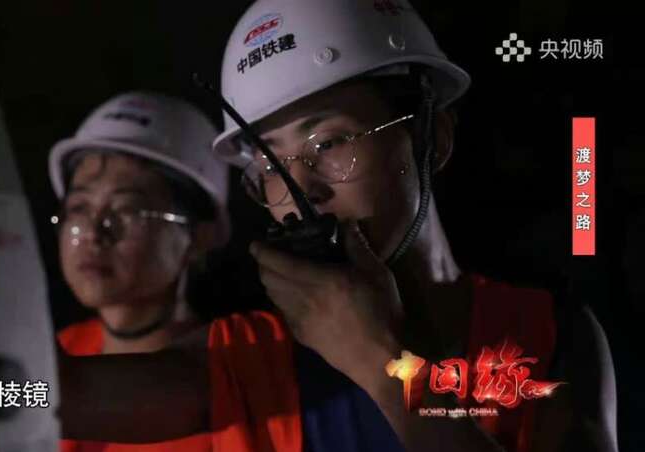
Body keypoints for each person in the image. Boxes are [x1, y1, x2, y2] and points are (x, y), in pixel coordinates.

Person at [60, 1, 617, 451]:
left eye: (328, 143)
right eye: (269, 165)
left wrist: (383, 368)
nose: (299, 191)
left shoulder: (544, 333)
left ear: (433, 138)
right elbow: (50, 394)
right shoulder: (249, 359)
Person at [47, 91, 231, 451]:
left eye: (128, 209)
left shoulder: (239, 370)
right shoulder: (62, 349)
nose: (94, 233)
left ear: (199, 235)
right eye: (79, 207)